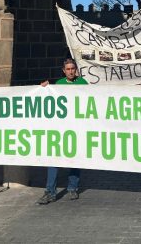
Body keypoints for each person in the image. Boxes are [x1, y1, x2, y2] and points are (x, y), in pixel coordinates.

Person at [37, 58, 87, 204]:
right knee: (53, 159)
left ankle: (72, 188)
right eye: (68, 69)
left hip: (77, 128)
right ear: (63, 71)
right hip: (60, 129)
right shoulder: (58, 84)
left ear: (76, 69)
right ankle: (50, 191)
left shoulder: (83, 83)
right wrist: (44, 88)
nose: (71, 71)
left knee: (75, 160)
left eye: (73, 68)